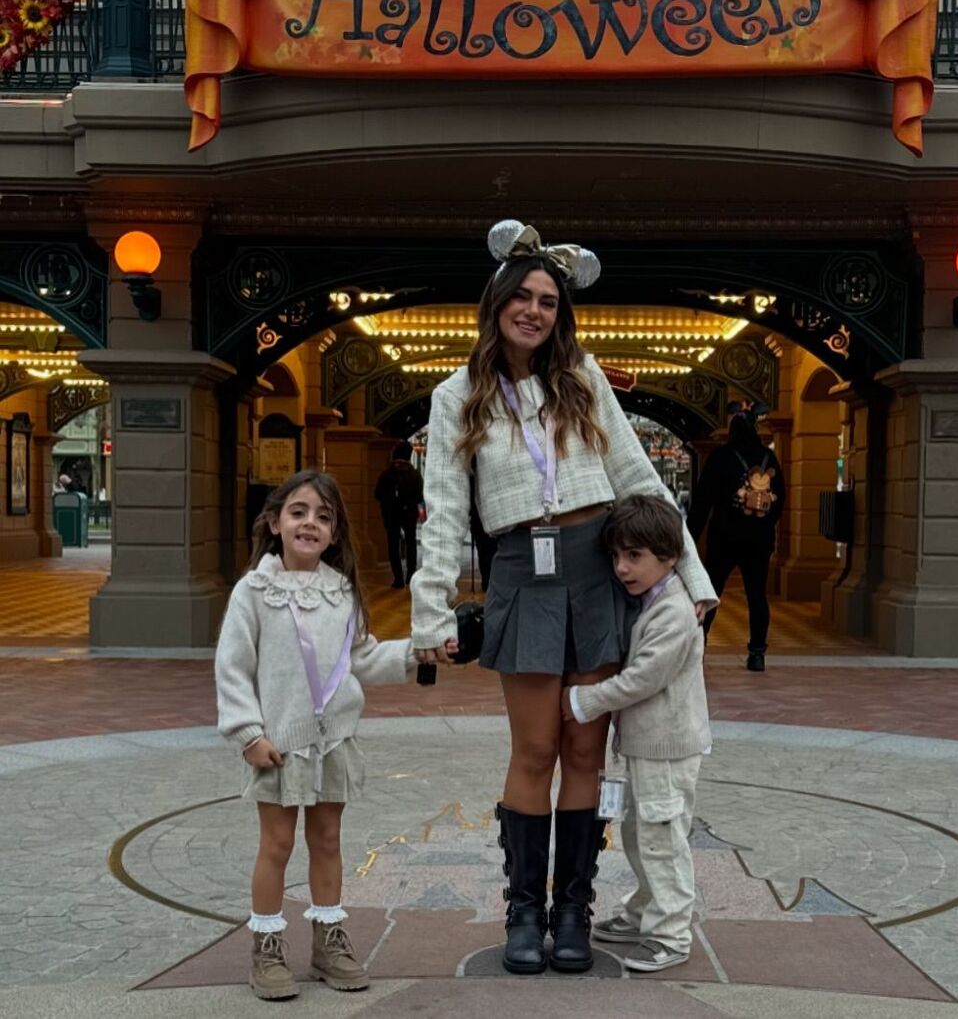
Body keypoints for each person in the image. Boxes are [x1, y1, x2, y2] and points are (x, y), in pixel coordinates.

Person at [410, 220, 717, 976]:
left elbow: (640, 476)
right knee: (535, 749)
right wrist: (430, 611)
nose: (535, 311)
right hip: (522, 571)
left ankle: (573, 909)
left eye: (548, 301)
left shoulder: (581, 377)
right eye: (522, 297)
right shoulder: (456, 396)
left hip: (596, 569)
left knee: (585, 747)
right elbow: (442, 511)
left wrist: (693, 576)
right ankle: (524, 911)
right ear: (496, 304)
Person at [215, 469, 425, 1001]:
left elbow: (362, 658)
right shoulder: (253, 591)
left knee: (328, 840)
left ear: (334, 534)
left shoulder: (341, 592)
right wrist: (247, 733)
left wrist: (416, 652)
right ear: (275, 523)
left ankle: (328, 941)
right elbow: (233, 666)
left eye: (323, 517)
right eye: (299, 512)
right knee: (277, 844)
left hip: (334, 740)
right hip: (277, 744)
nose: (310, 523)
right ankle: (266, 946)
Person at [562, 495, 710, 973]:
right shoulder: (651, 601)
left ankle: (671, 932)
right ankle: (645, 909)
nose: (622, 568)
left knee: (662, 837)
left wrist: (585, 700)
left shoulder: (675, 613)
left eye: (634, 555)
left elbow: (644, 678)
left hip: (668, 748)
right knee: (640, 832)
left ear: (669, 557)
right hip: (648, 746)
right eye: (616, 556)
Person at [687, 405, 786, 672]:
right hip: (759, 541)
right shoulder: (768, 457)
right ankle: (757, 653)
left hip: (724, 538)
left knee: (711, 592)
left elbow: (702, 501)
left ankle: (699, 646)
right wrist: (765, 524)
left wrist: (690, 536)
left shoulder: (721, 457)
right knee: (757, 595)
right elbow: (780, 500)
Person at [373, 440, 424, 589]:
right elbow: (419, 497)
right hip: (409, 512)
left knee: (393, 544)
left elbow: (377, 494)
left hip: (391, 513)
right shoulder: (415, 474)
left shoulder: (387, 474)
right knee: (411, 543)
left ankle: (398, 578)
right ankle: (411, 575)